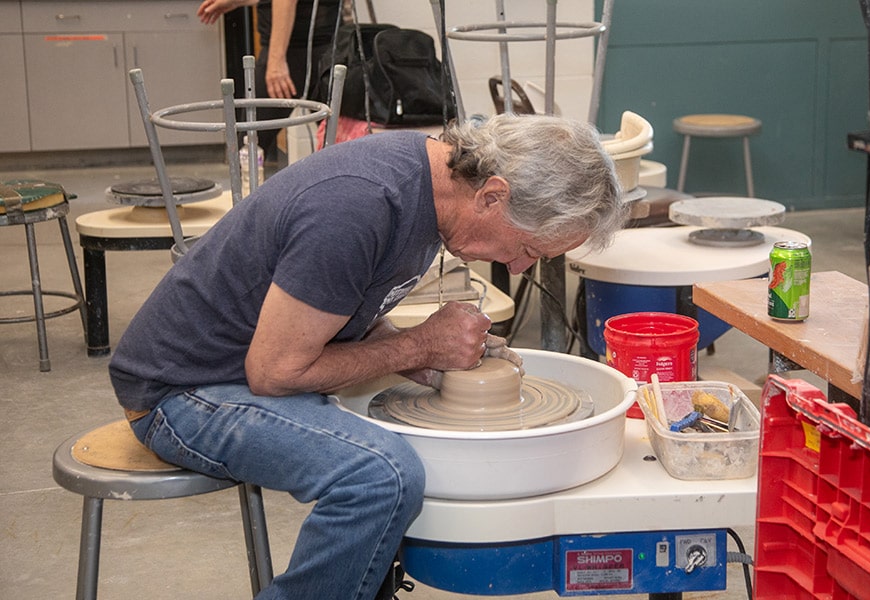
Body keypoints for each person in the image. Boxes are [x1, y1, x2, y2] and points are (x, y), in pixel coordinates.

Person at [109, 113, 625, 599]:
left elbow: (344, 309)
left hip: (244, 366)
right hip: (183, 390)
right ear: (493, 196)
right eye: (529, 250)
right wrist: (418, 344)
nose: (516, 268)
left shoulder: (432, 189)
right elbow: (274, 372)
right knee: (382, 475)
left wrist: (411, 354)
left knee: (403, 439)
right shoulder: (358, 206)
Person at [197, 0, 344, 157]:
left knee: (247, 151)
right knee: (339, 147)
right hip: (322, 48)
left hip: (303, 51)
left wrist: (276, 61)